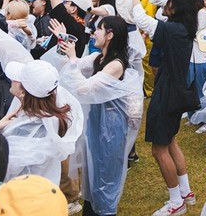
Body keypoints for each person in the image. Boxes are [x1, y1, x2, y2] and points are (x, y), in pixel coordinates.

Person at [118, 0, 200, 216]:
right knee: (171, 141)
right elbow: (169, 5)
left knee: (158, 149)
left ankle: (176, 201)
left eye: (169, 2)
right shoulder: (184, 27)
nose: (166, 4)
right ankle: (185, 192)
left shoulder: (172, 30)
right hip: (175, 91)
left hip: (165, 94)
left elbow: (141, 19)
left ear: (176, 8)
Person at [55, 16, 144, 216]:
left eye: (98, 30)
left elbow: (84, 88)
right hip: (97, 121)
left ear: (110, 34)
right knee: (93, 165)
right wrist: (63, 40)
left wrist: (71, 59)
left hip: (111, 126)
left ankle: (104, 210)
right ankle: (92, 206)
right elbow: (77, 65)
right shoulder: (99, 58)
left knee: (107, 170)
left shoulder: (116, 65)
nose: (94, 33)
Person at [0, 59, 83, 185]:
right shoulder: (51, 119)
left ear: (23, 92)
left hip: (20, 196)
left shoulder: (25, 130)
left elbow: (1, 166)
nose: (12, 80)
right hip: (44, 193)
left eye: (17, 79)